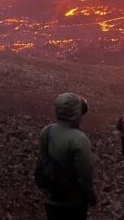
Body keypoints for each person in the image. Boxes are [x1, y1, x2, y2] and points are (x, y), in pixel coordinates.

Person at [38, 92, 97, 220]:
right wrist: (91, 197)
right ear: (76, 113)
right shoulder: (79, 139)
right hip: (73, 202)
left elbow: (42, 161)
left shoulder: (46, 131)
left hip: (51, 198)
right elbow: (84, 176)